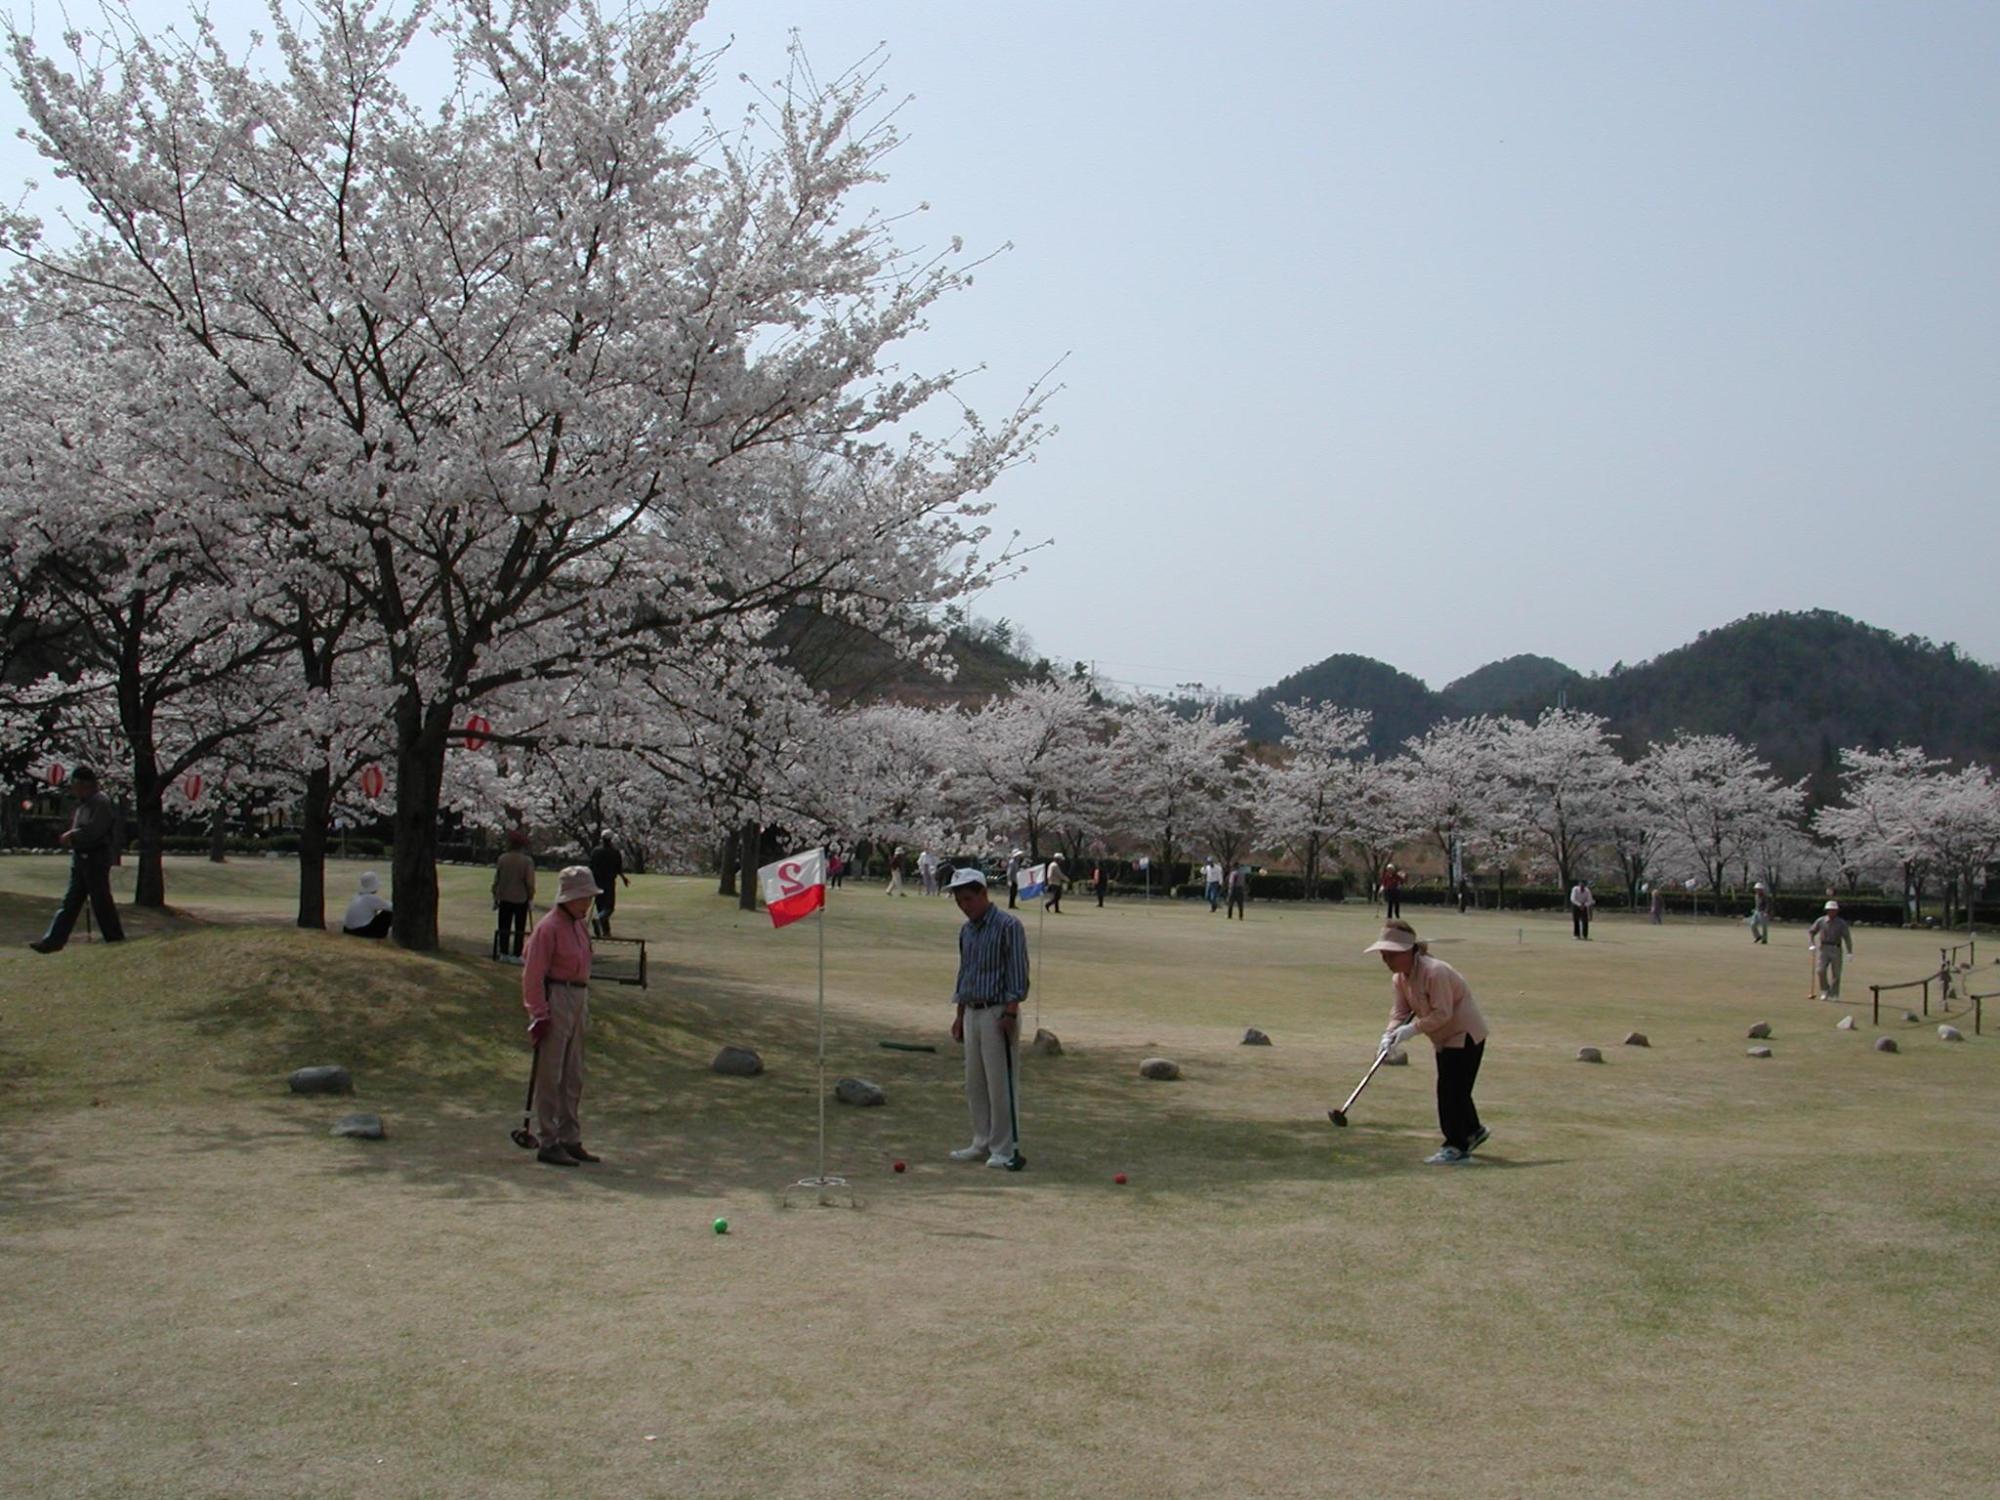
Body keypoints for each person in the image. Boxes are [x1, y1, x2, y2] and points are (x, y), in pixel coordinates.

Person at [1366, 918, 1490, 1165]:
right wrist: (1389, 1034)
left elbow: (1442, 1013)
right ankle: (1474, 1131)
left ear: (1409, 952)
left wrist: (1411, 1031)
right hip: (1443, 1038)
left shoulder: (1435, 972)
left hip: (1464, 1034)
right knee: (1456, 1087)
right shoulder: (1400, 978)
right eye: (1384, 954)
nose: (1386, 960)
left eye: (1391, 954)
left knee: (1450, 1090)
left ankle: (1455, 1147)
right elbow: (1400, 1012)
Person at [945, 867, 1030, 1170]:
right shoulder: (966, 931)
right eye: (959, 901)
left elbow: (1017, 973)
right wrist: (959, 1014)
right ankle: (980, 1140)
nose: (964, 906)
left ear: (983, 893)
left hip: (998, 1012)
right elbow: (964, 972)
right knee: (975, 1082)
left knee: (1000, 1082)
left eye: (968, 898)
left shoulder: (1008, 926)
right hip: (972, 1010)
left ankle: (1003, 1147)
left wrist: (1010, 1011)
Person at [522, 866, 603, 1166]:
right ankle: (549, 1138)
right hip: (557, 994)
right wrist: (538, 1013)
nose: (586, 902)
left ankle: (570, 1136)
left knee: (573, 1073)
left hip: (579, 995)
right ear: (567, 898)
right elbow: (532, 973)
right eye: (582, 897)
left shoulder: (579, 925)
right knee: (551, 1072)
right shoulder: (548, 928)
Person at [30, 765, 126, 952]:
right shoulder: (85, 803)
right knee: (72, 900)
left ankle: (114, 937)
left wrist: (73, 835)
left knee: (100, 899)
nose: (74, 789)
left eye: (76, 784)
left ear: (86, 784)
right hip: (81, 856)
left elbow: (95, 830)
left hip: (95, 856)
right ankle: (54, 940)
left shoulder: (100, 802)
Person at [492, 829, 536, 962]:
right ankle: (517, 953)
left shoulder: (502, 858)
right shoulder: (527, 861)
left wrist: (495, 895)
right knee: (519, 927)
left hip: (504, 896)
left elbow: (497, 879)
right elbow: (529, 881)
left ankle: (503, 952)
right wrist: (531, 896)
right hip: (520, 898)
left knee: (503, 926)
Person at [1808, 900, 1854, 999]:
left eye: (1833, 910)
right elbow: (1812, 931)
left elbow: (1847, 937)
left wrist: (1849, 952)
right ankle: (1825, 990)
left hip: (1836, 948)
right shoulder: (1821, 921)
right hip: (1823, 948)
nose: (1831, 912)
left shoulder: (1841, 923)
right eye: (1829, 910)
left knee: (1836, 973)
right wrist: (1812, 943)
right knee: (1820, 970)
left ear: (1837, 911)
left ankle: (1834, 994)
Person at [587, 831, 629, 938]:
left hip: (596, 882)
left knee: (601, 907)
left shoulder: (595, 851)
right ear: (611, 840)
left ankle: (606, 931)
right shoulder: (615, 852)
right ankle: (599, 920)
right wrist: (623, 878)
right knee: (609, 907)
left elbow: (591, 866)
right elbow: (618, 868)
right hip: (609, 882)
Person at [341, 871, 394, 939]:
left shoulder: (356, 896)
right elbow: (391, 907)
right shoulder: (371, 898)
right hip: (361, 932)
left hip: (347, 930)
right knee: (387, 914)